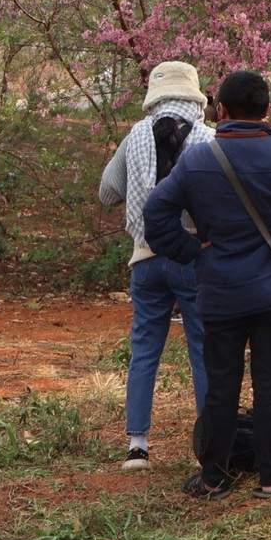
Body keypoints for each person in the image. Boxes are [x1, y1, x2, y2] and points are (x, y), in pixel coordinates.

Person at [142, 70, 271, 500]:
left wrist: (192, 251)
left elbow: (155, 214)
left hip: (219, 292)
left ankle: (214, 478)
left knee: (222, 386)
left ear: (221, 109)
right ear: (267, 110)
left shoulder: (198, 159)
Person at [97, 60, 214, 471]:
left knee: (145, 349)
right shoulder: (208, 138)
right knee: (204, 350)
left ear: (154, 96)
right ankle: (209, 446)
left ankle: (137, 446)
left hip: (145, 261)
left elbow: (107, 192)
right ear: (196, 96)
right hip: (193, 259)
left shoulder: (135, 136)